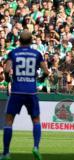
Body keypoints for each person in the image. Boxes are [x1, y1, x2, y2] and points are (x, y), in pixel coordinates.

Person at [0, 31, 49, 160]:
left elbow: (6, 69)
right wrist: (40, 79)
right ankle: (36, 147)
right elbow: (46, 71)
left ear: (19, 40)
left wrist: (8, 79)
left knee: (9, 121)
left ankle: (6, 153)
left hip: (17, 91)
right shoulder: (37, 54)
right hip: (31, 91)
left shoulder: (14, 53)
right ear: (31, 40)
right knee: (36, 120)